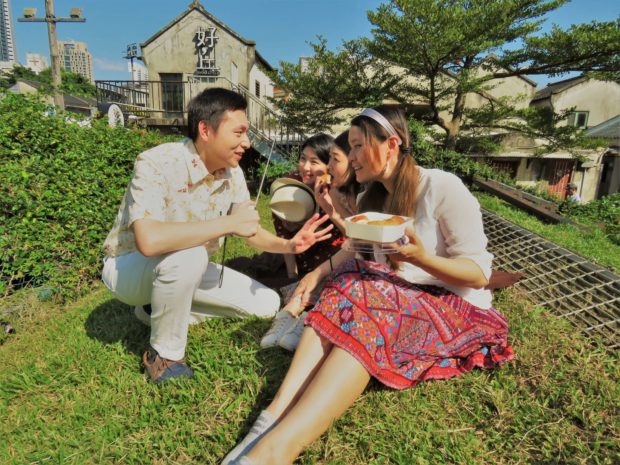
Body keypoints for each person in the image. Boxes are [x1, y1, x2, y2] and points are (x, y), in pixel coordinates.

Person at [222, 105, 514, 465]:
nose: (351, 156)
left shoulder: (440, 187)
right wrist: (316, 274)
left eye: (359, 146)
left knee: (372, 297)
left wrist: (420, 258)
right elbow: (355, 249)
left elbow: (478, 273)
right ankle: (272, 416)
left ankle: (278, 449)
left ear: (391, 144)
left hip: (452, 303)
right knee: (348, 280)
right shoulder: (369, 198)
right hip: (395, 293)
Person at [101, 88, 332, 383]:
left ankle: (154, 309)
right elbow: (149, 241)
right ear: (205, 130)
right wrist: (227, 223)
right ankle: (164, 356)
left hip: (187, 268)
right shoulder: (157, 162)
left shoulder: (232, 173)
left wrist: (289, 245)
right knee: (192, 252)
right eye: (239, 132)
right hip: (128, 268)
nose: (247, 142)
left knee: (266, 304)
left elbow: (249, 231)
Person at [260, 134, 347, 351]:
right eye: (302, 159)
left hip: (338, 259)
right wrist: (292, 276)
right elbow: (285, 237)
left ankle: (298, 316)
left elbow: (355, 235)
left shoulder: (340, 189)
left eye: (314, 161)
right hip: (304, 257)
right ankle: (289, 313)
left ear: (329, 165)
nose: (305, 167)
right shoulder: (289, 188)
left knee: (330, 284)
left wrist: (329, 207)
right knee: (297, 283)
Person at [314, 130, 363, 234]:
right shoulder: (336, 193)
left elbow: (364, 236)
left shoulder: (370, 193)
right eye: (330, 157)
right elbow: (355, 234)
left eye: (336, 159)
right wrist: (330, 209)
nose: (328, 166)